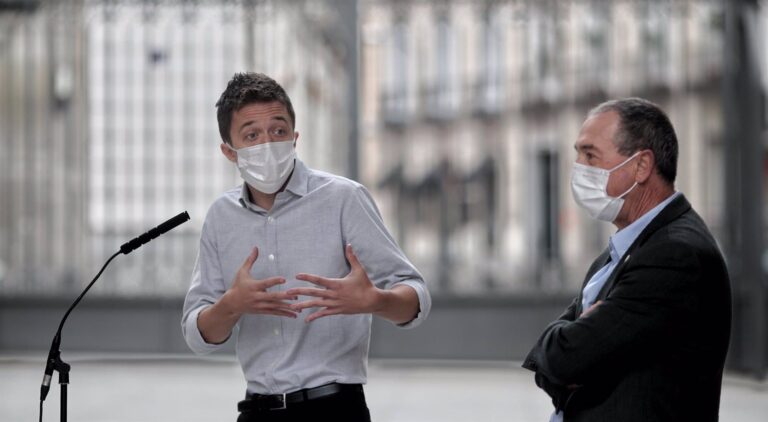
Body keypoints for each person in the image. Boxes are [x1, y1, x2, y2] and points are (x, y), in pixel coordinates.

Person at [182, 72, 431, 422]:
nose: (267, 143)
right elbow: (198, 334)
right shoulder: (221, 217)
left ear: (294, 138)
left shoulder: (344, 199)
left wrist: (376, 300)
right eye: (251, 135)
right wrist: (232, 305)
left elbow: (416, 298)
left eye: (278, 131)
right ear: (229, 152)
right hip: (257, 410)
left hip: (334, 408)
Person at [523, 98, 731, 422]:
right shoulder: (621, 251)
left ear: (641, 166)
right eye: (577, 154)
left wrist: (572, 353)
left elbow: (564, 358)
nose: (578, 168)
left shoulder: (675, 255)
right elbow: (549, 362)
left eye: (590, 155)